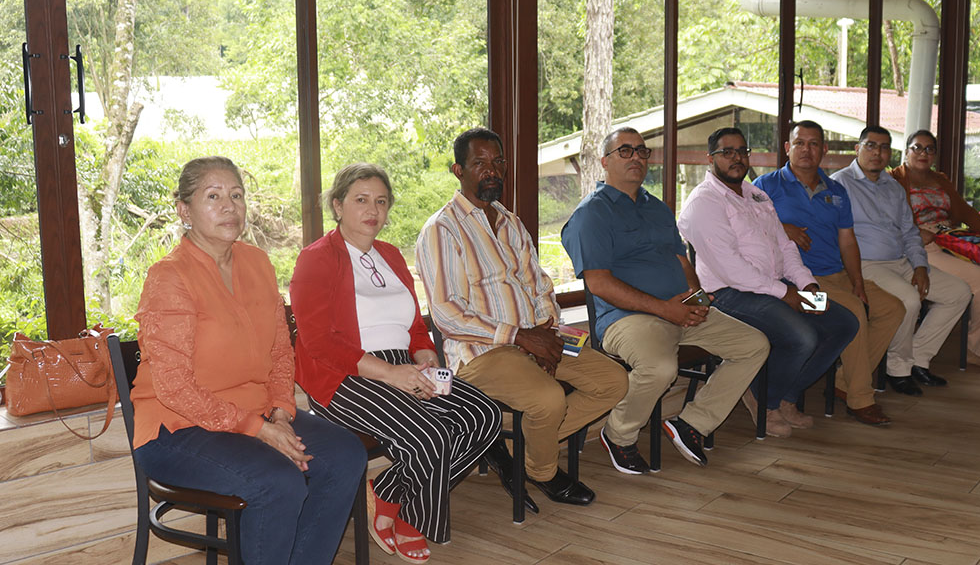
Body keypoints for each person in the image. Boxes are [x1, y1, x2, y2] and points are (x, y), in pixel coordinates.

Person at [131, 156, 366, 565]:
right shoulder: (169, 277)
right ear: (184, 210)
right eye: (213, 196)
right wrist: (256, 429)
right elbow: (175, 388)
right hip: (178, 429)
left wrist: (280, 413)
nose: (229, 206)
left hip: (256, 414)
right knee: (278, 482)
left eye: (236, 195)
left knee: (345, 454)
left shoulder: (257, 262)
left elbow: (280, 350)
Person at [290, 162, 502, 562]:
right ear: (338, 206)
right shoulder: (316, 259)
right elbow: (318, 343)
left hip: (403, 365)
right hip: (345, 378)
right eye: (361, 200)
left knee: (483, 415)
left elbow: (413, 324)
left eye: (381, 201)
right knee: (432, 434)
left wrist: (424, 356)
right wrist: (390, 373)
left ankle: (387, 492)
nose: (373, 210)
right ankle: (410, 519)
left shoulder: (390, 255)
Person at [416, 127, 627, 509]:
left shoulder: (511, 223)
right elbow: (446, 314)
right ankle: (543, 471)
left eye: (498, 162)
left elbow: (539, 285)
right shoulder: (441, 230)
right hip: (482, 353)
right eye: (479, 163)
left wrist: (546, 331)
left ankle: (526, 452)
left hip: (538, 337)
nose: (491, 171)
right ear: (458, 170)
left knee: (613, 380)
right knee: (548, 399)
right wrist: (521, 338)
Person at [562, 127, 768, 472]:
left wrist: (696, 299)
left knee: (755, 344)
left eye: (642, 151)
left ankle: (692, 424)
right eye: (625, 151)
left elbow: (681, 260)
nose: (637, 158)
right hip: (626, 319)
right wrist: (664, 310)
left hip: (678, 310)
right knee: (660, 367)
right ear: (604, 162)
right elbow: (599, 284)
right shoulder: (591, 215)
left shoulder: (656, 208)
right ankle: (619, 435)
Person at [679, 127, 859, 437]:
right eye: (727, 152)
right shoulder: (704, 202)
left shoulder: (755, 194)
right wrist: (787, 295)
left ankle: (786, 397)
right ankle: (765, 399)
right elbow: (731, 269)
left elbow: (786, 247)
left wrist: (808, 287)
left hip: (773, 286)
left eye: (742, 151)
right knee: (802, 335)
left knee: (843, 322)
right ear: (711, 159)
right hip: (726, 294)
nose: (737, 158)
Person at [755, 120, 905, 426]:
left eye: (813, 144)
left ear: (824, 149)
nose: (806, 150)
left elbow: (847, 240)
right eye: (799, 143)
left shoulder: (836, 190)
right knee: (854, 313)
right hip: (795, 287)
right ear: (787, 148)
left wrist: (858, 283)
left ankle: (843, 381)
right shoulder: (766, 186)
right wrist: (781, 228)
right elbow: (745, 228)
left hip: (837, 276)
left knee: (893, 308)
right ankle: (860, 399)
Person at [832, 126, 972, 395]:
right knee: (909, 300)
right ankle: (897, 369)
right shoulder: (840, 184)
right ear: (857, 149)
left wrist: (920, 266)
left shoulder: (893, 186)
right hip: (866, 265)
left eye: (884, 147)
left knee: (958, 292)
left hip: (902, 261)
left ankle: (918, 358)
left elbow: (909, 232)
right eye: (871, 145)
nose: (877, 152)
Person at [891, 130, 980, 369]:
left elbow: (964, 211)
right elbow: (889, 218)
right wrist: (916, 232)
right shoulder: (894, 180)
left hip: (950, 239)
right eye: (917, 147)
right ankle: (977, 349)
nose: (923, 153)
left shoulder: (941, 180)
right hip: (920, 245)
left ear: (935, 155)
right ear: (906, 151)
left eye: (929, 149)